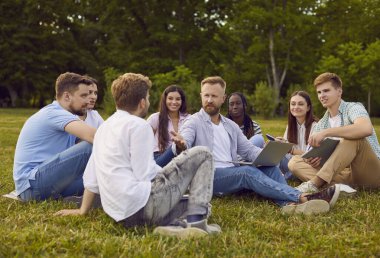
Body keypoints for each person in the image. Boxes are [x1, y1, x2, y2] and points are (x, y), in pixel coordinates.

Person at [55, 73, 220, 238]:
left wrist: (83, 210)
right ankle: (197, 225)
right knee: (203, 153)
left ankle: (176, 227)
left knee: (200, 204)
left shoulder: (104, 128)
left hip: (122, 215)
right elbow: (145, 174)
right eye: (148, 98)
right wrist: (180, 177)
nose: (148, 101)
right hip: (143, 206)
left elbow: (91, 178)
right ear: (142, 103)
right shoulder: (139, 125)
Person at [171, 76, 342, 215]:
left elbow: (249, 150)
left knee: (271, 167)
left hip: (231, 173)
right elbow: (184, 140)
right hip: (208, 177)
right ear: (201, 95)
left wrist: (268, 155)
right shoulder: (193, 122)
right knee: (247, 172)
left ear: (222, 98)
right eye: (206, 95)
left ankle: (287, 206)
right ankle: (304, 197)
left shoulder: (229, 125)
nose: (209, 100)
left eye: (214, 96)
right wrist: (180, 145)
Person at [289, 72, 380, 193]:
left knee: (352, 137)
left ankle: (316, 183)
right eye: (319, 92)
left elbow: (365, 129)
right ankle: (342, 188)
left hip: (369, 171)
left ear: (339, 91)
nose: (322, 95)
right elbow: (310, 152)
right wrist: (311, 159)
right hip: (343, 173)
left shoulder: (353, 108)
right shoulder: (322, 123)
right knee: (294, 162)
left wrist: (326, 132)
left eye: (326, 91)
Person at [13, 72, 96, 201]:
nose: (88, 100)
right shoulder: (54, 113)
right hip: (32, 187)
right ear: (67, 96)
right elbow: (93, 137)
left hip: (48, 181)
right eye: (83, 95)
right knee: (91, 146)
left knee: (101, 181)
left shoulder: (66, 116)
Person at [278, 91, 318, 180]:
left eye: (300, 104)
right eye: (293, 104)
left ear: (308, 107)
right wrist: (280, 143)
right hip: (291, 163)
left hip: (305, 166)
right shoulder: (291, 125)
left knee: (294, 166)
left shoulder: (315, 126)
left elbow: (312, 156)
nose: (296, 107)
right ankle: (276, 175)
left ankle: (282, 178)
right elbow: (286, 148)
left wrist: (292, 150)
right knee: (275, 151)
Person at [147, 85, 190, 167]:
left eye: (178, 99)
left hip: (182, 157)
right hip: (159, 157)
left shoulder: (188, 119)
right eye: (170, 98)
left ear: (182, 101)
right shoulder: (155, 118)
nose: (174, 102)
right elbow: (145, 142)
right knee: (176, 146)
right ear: (165, 100)